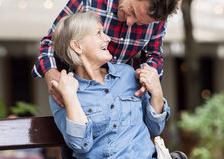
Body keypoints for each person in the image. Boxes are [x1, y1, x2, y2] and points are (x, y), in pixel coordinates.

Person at [31, 0, 182, 158]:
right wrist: (53, 77)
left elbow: (153, 56)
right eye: (132, 12)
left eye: (140, 24)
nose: (130, 23)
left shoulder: (129, 73)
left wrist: (151, 86)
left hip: (124, 93)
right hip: (84, 95)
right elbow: (51, 42)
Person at [49, 12, 170, 158]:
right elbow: (80, 145)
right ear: (77, 46)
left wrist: (157, 91)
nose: (107, 38)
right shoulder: (63, 90)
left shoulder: (127, 74)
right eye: (98, 33)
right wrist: (70, 97)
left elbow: (155, 128)